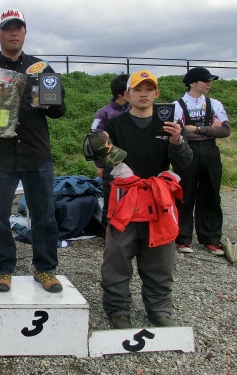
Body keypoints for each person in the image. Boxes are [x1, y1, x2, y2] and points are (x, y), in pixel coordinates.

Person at [0, 8, 66, 293]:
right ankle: (3, 269)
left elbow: (60, 110)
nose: (13, 33)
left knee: (44, 214)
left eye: (18, 28)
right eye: (7, 28)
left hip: (37, 154)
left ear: (25, 32)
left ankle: (45, 269)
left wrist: (50, 102)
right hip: (1, 155)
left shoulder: (41, 68)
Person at [101, 70, 192, 329]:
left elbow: (185, 164)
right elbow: (100, 160)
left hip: (159, 202)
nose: (143, 94)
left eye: (149, 89)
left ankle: (160, 310)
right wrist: (103, 149)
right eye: (138, 89)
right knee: (116, 259)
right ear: (127, 94)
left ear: (157, 94)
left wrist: (177, 141)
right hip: (125, 202)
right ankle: (118, 310)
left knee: (160, 262)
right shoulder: (114, 125)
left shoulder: (168, 125)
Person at [174, 67, 230, 255]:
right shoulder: (177, 106)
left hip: (210, 151)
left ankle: (211, 239)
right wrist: (209, 128)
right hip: (186, 150)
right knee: (185, 194)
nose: (209, 83)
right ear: (192, 83)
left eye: (210, 80)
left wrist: (197, 130)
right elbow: (177, 131)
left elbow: (224, 131)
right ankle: (183, 238)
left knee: (211, 194)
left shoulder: (215, 104)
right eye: (205, 80)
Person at [91, 74, 130, 226]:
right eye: (132, 89)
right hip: (111, 162)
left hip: (133, 159)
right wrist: (99, 165)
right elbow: (95, 139)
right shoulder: (104, 113)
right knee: (111, 195)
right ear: (121, 93)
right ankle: (107, 229)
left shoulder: (136, 110)